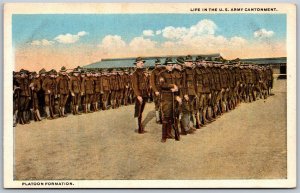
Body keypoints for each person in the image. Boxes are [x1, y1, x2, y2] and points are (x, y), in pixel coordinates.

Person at [158, 57, 181, 142]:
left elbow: (179, 84)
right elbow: (161, 84)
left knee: (173, 116)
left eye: (172, 65)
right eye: (169, 65)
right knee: (166, 117)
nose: (171, 66)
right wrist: (172, 86)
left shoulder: (175, 73)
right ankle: (164, 136)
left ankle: (169, 133)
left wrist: (177, 89)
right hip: (166, 98)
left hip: (174, 97)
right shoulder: (162, 74)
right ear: (166, 66)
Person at [131, 57, 149, 134]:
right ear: (136, 64)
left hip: (144, 94)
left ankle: (139, 126)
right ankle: (138, 128)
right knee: (138, 111)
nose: (142, 64)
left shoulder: (143, 73)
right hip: (140, 95)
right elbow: (134, 86)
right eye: (141, 63)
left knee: (141, 111)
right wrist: (138, 95)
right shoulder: (135, 74)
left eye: (142, 63)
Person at [181, 55, 197, 134]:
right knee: (186, 111)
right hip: (187, 94)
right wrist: (185, 94)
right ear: (185, 63)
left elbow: (194, 83)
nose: (191, 63)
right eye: (189, 62)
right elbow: (183, 84)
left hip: (192, 93)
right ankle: (186, 128)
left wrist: (195, 93)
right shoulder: (184, 72)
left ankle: (190, 126)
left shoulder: (192, 71)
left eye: (191, 62)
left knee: (190, 109)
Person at [150, 58, 165, 123]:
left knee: (163, 104)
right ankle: (158, 118)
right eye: (157, 64)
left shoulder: (163, 71)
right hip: (156, 90)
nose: (158, 65)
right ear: (155, 65)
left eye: (159, 64)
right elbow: (152, 83)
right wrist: (155, 90)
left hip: (162, 90)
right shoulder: (153, 72)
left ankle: (162, 118)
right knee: (157, 105)